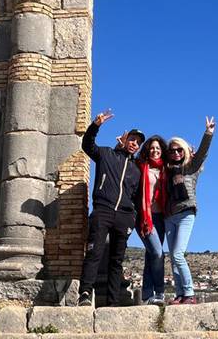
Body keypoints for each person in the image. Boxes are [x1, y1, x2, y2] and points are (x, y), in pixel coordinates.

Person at [77, 109, 145, 307]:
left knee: (116, 261)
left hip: (124, 217)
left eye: (138, 143)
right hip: (103, 211)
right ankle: (85, 294)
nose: (135, 144)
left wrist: (132, 218)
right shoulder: (106, 154)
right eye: (132, 139)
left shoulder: (136, 170)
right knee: (94, 253)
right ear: (124, 139)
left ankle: (113, 303)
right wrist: (95, 125)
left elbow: (136, 196)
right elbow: (87, 145)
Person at [165, 116, 216, 305]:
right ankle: (180, 294)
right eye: (172, 150)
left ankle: (189, 293)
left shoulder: (191, 167)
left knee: (178, 254)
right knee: (172, 257)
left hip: (187, 212)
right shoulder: (167, 170)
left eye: (179, 149)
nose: (176, 152)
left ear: (184, 150)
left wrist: (208, 133)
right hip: (169, 216)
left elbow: (202, 153)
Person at [134, 135, 169, 305]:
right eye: (152, 148)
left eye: (158, 148)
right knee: (157, 253)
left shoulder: (166, 169)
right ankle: (160, 292)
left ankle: (147, 296)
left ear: (162, 151)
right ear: (147, 150)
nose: (155, 150)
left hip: (161, 217)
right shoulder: (140, 166)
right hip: (144, 217)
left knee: (151, 255)